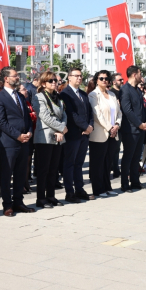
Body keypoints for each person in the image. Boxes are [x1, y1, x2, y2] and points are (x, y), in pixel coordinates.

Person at [0, 67, 35, 216]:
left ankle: (18, 202)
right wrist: (17, 135)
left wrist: (29, 131)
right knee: (7, 174)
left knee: (21, 173)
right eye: (15, 76)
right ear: (6, 78)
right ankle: (7, 205)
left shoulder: (20, 96)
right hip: (9, 143)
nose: (18, 78)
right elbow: (1, 122)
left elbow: (27, 117)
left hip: (24, 141)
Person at [31, 71, 68, 208]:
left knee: (54, 169)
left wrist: (61, 129)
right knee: (43, 169)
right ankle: (41, 198)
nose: (54, 83)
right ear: (43, 83)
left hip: (59, 135)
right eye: (50, 81)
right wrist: (61, 128)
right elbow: (45, 117)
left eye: (55, 80)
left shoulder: (58, 96)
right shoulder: (39, 97)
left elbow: (64, 114)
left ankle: (51, 196)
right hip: (45, 137)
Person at [59, 68, 94, 203]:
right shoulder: (65, 94)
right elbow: (71, 114)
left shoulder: (83, 94)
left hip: (84, 134)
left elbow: (89, 112)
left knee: (79, 163)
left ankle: (80, 189)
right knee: (69, 163)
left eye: (80, 76)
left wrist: (90, 126)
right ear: (69, 77)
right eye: (76, 76)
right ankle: (69, 192)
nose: (79, 78)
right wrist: (85, 126)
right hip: (73, 134)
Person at [88, 70, 122, 197]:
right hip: (100, 133)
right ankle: (98, 189)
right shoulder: (93, 95)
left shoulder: (112, 94)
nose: (104, 80)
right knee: (98, 163)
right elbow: (97, 114)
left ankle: (107, 186)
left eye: (106, 78)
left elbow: (119, 112)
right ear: (96, 80)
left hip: (113, 133)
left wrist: (117, 125)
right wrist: (110, 127)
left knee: (108, 162)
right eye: (101, 78)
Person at [119, 66, 146, 192]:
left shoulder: (137, 90)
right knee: (128, 157)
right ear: (134, 74)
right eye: (140, 73)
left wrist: (145, 122)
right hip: (130, 130)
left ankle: (135, 182)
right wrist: (139, 124)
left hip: (140, 129)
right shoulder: (125, 90)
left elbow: (140, 109)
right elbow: (127, 110)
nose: (141, 76)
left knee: (136, 157)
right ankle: (125, 184)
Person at [18, 83, 36, 193]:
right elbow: (31, 115)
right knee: (21, 163)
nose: (26, 91)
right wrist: (33, 115)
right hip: (20, 136)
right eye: (23, 89)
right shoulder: (19, 102)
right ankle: (21, 184)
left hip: (30, 134)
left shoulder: (27, 102)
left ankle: (26, 183)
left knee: (28, 161)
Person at [108, 72, 123, 178]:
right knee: (114, 149)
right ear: (113, 82)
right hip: (113, 126)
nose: (122, 81)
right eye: (119, 80)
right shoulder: (111, 93)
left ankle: (117, 168)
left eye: (122, 79)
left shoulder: (123, 92)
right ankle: (114, 169)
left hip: (122, 123)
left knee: (118, 149)